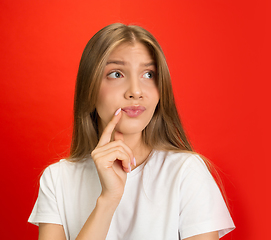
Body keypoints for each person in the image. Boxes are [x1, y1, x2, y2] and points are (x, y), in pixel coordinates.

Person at [28, 23, 235, 240]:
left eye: (148, 74)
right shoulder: (57, 179)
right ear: (89, 89)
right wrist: (108, 201)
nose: (136, 91)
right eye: (116, 74)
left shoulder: (186, 172)